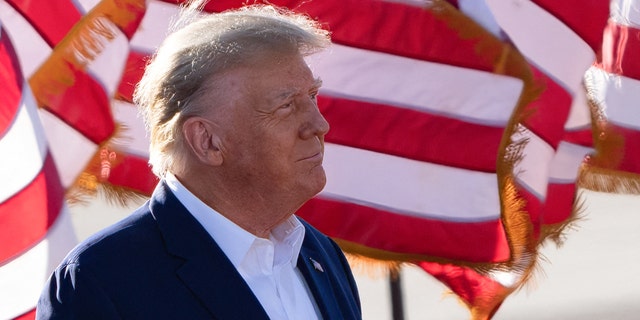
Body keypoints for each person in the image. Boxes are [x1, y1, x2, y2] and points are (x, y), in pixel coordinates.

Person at [36, 2, 361, 319]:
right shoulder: (101, 281)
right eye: (287, 106)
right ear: (206, 141)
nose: (319, 125)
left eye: (312, 96)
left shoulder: (320, 256)